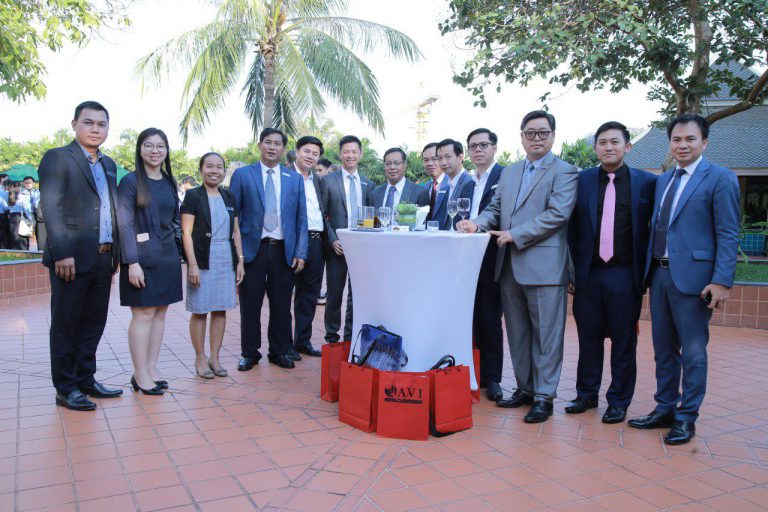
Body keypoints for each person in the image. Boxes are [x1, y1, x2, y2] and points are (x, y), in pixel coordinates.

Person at [458, 110, 578, 423]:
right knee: (518, 332)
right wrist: (477, 224)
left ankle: (544, 396)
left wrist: (516, 234)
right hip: (509, 265)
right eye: (530, 133)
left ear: (553, 135)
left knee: (547, 335)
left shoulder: (565, 171)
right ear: (521, 136)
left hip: (545, 267)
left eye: (543, 133)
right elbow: (495, 209)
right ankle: (525, 389)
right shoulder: (510, 173)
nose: (536, 138)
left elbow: (558, 214)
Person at [628, 114, 739, 445]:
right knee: (663, 349)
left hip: (696, 280)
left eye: (690, 139)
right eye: (676, 139)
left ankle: (687, 416)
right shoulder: (663, 180)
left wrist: (721, 281)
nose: (683, 145)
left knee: (693, 351)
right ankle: (665, 407)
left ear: (704, 142)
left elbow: (728, 232)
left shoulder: (720, 178)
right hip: (659, 275)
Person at [566, 121, 656, 424]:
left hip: (625, 274)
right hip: (589, 274)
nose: (608, 147)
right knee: (588, 339)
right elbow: (571, 229)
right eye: (602, 142)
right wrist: (573, 270)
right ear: (595, 148)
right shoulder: (582, 181)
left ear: (627, 146)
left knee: (623, 341)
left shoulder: (647, 182)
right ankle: (586, 394)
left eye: (615, 142)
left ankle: (618, 401)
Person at [38, 100, 123, 411]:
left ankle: (86, 378)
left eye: (101, 124)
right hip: (70, 259)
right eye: (88, 122)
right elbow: (51, 207)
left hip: (103, 257)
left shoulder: (109, 164)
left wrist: (115, 254)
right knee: (66, 323)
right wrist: (62, 252)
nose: (95, 129)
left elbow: (110, 208)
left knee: (93, 322)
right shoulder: (58, 158)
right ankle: (65, 387)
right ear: (74, 124)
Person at [230, 128, 308, 370]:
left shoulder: (294, 179)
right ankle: (249, 352)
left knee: (281, 305)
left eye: (277, 143)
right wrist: (237, 256)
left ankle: (279, 351)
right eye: (268, 142)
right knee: (250, 304)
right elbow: (234, 216)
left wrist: (301, 252)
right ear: (259, 145)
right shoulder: (243, 175)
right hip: (252, 250)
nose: (272, 147)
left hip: (283, 251)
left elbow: (301, 218)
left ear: (284, 149)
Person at [117, 128, 183, 395]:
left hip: (167, 256)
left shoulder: (169, 181)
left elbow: (175, 221)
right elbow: (124, 224)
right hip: (141, 259)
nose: (155, 151)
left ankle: (151, 369)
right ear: (140, 149)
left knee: (160, 312)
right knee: (143, 313)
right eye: (149, 145)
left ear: (166, 150)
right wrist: (131, 262)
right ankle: (140, 374)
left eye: (160, 146)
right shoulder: (130, 182)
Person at [181, 152, 245, 378]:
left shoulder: (229, 196)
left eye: (219, 167)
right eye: (209, 166)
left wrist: (240, 260)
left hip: (225, 257)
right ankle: (200, 357)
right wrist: (192, 264)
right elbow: (186, 233)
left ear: (224, 171)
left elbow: (236, 231)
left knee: (220, 309)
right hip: (202, 257)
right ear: (201, 170)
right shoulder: (193, 196)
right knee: (200, 310)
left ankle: (215, 358)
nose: (214, 171)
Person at [458, 128, 505, 401]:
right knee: (469, 317)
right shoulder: (467, 183)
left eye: (483, 145)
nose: (478, 150)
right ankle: (471, 371)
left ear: (494, 148)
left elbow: (498, 213)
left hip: (492, 255)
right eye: (473, 146)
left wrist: (476, 226)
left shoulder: (505, 177)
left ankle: (492, 378)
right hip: (466, 258)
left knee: (490, 318)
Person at [322, 135, 373, 343]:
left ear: (360, 154)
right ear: (340, 154)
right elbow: (321, 215)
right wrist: (333, 239)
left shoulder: (369, 184)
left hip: (360, 249)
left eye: (354, 151)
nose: (350, 155)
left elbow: (372, 217)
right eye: (346, 151)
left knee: (356, 295)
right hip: (337, 247)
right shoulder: (327, 181)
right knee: (334, 294)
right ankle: (332, 337)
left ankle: (350, 337)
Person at [291, 136, 327, 358]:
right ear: (297, 151)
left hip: (316, 241)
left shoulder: (318, 181)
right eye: (307, 151)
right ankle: (283, 345)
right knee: (283, 293)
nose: (310, 156)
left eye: (315, 153)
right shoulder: (285, 175)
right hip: (293, 241)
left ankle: (302, 341)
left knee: (309, 295)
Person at [432, 139, 473, 230]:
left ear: (460, 157)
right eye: (440, 158)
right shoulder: (446, 184)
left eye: (448, 157)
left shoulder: (470, 182)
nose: (443, 162)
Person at [6, 181, 33, 250]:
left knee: (14, 235)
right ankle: (23, 250)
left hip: (12, 217)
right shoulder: (22, 195)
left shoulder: (9, 194)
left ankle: (14, 250)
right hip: (20, 216)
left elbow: (7, 207)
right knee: (22, 234)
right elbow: (26, 207)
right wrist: (30, 218)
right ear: (18, 187)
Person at [422, 143, 444, 221]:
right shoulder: (426, 187)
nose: (430, 164)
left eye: (434, 159)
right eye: (426, 160)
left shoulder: (452, 184)